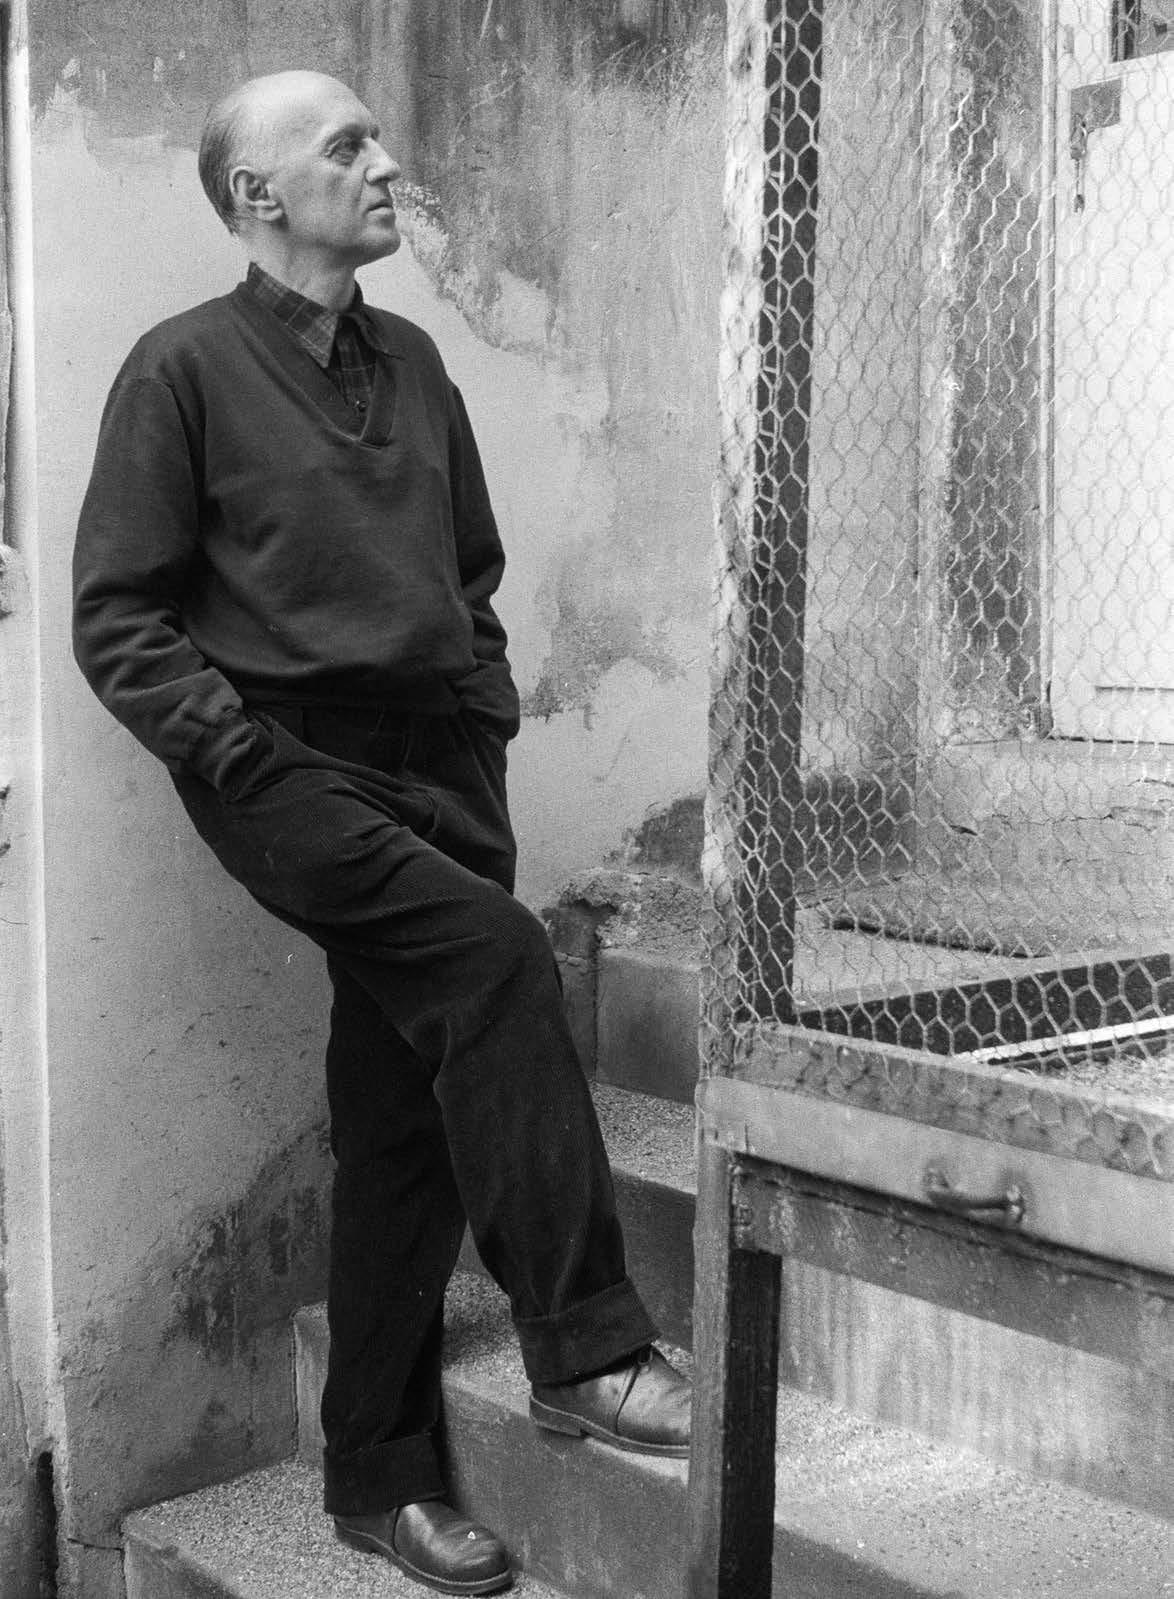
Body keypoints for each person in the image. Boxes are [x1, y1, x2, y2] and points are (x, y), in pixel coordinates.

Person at [72, 69, 690, 1599]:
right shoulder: (180, 370)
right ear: (259, 195)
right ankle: (583, 1347)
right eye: (344, 145)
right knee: (497, 960)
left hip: (440, 764)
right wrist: (244, 759)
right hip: (290, 771)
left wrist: (479, 715)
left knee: (401, 1108)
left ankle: (378, 1473)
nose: (386, 161)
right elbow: (118, 617)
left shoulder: (412, 362)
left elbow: (466, 574)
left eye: (375, 137)